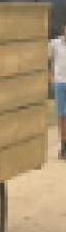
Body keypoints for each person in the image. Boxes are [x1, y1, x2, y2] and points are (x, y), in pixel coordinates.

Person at [50, 23, 66, 160]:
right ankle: (63, 146)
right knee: (61, 116)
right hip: (60, 83)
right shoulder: (55, 43)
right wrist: (50, 76)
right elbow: (47, 58)